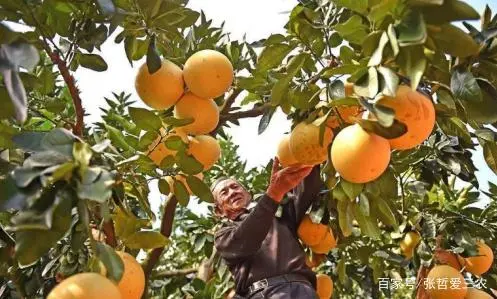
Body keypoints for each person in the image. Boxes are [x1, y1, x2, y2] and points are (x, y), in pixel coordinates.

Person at [212, 157, 323, 298]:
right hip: (264, 293)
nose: (232, 192)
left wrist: (313, 155)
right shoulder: (223, 236)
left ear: (248, 193)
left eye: (235, 187)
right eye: (224, 192)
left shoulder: (279, 212)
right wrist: (274, 193)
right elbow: (246, 240)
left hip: (303, 291)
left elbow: (306, 191)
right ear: (219, 211)